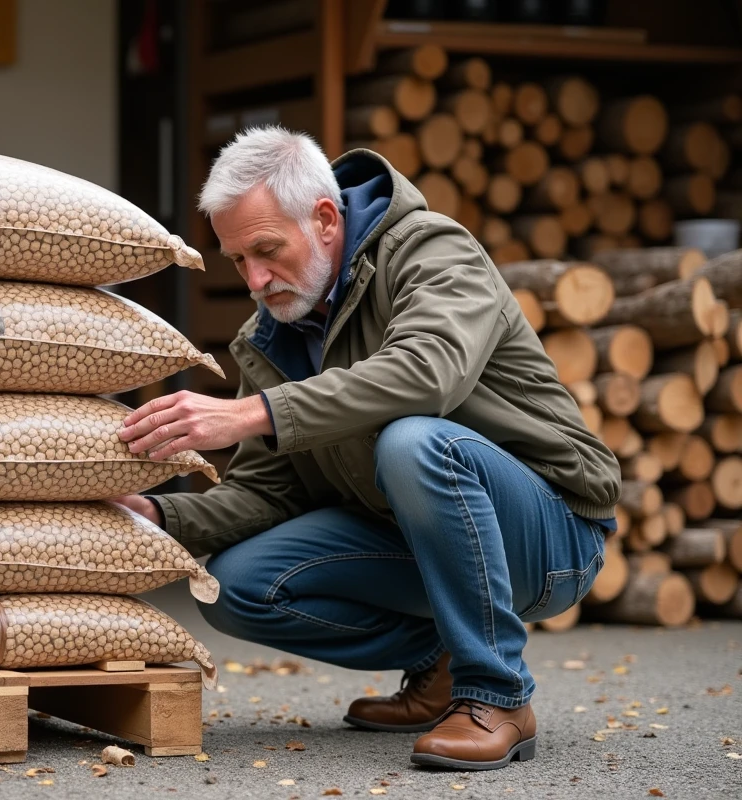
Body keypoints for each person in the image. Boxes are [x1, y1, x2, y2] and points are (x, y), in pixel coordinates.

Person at [112, 126, 621, 771]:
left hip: (551, 538)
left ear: (325, 219)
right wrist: (160, 519)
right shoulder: (270, 338)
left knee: (416, 441)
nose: (255, 280)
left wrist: (254, 411)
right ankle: (441, 664)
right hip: (418, 540)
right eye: (238, 261)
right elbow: (271, 491)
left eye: (266, 251)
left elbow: (428, 372)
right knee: (240, 584)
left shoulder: (433, 252)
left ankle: (497, 696)